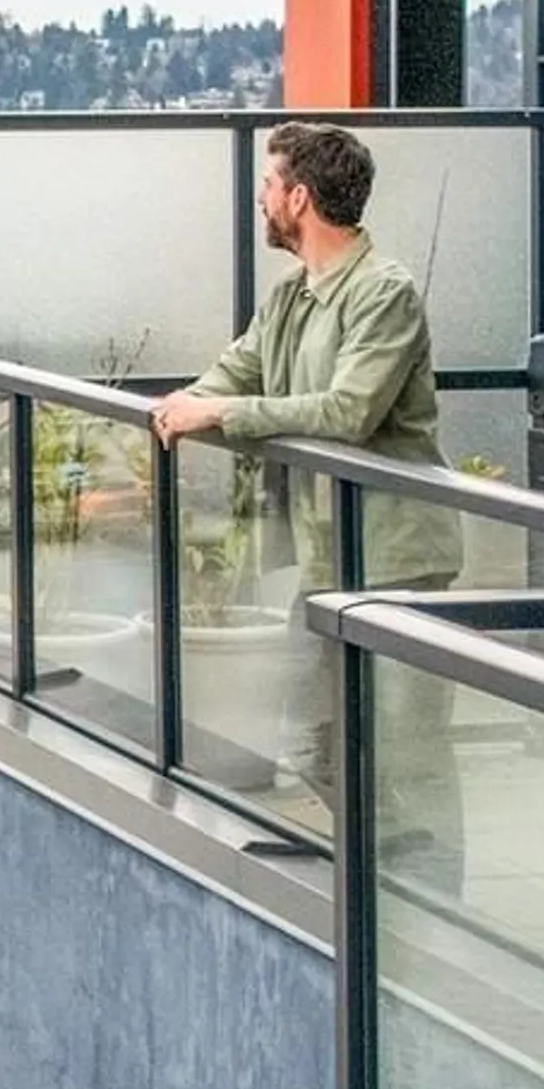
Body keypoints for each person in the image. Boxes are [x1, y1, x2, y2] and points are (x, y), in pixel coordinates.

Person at [149, 121, 462, 813]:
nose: (259, 199)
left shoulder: (385, 292)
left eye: (268, 185)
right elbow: (237, 370)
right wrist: (186, 403)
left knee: (408, 748)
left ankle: (427, 897)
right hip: (328, 554)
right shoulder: (292, 296)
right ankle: (379, 874)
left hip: (396, 555)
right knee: (315, 736)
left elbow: (349, 411)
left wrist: (223, 416)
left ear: (298, 198)